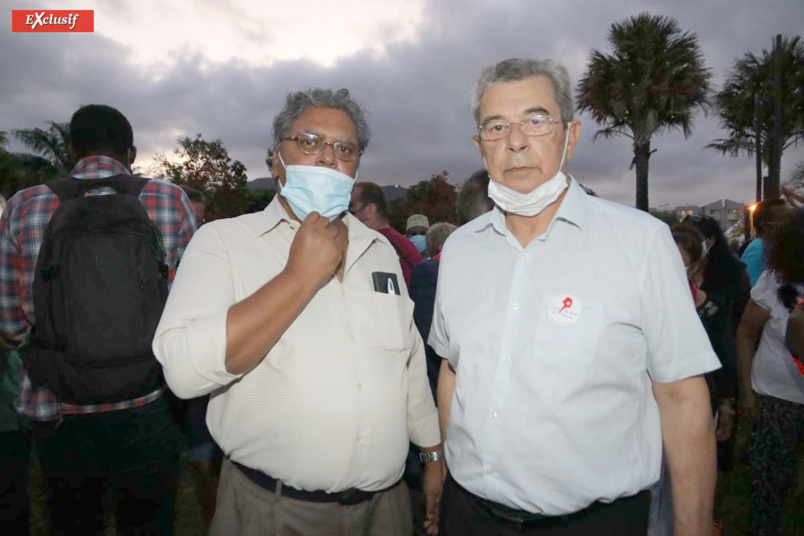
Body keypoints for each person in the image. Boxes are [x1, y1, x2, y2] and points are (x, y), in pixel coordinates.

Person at [430, 57, 720, 535]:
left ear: (572, 135)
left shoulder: (640, 243)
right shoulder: (461, 249)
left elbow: (683, 398)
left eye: (536, 120)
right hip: (470, 516)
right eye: (497, 125)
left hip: (591, 523)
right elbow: (452, 369)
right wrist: (439, 468)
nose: (516, 141)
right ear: (480, 145)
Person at [153, 88, 443, 536]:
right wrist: (298, 277)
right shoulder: (223, 242)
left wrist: (431, 455)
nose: (328, 158)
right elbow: (183, 371)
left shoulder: (380, 250)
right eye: (309, 142)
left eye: (344, 149)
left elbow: (406, 366)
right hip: (273, 511)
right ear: (275, 161)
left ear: (356, 166)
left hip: (386, 510)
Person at [0, 104, 196, 534]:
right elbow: (192, 304)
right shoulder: (169, 199)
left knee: (74, 523)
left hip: (58, 405)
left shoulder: (23, 206)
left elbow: (11, 321)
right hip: (150, 399)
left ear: (72, 150)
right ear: (131, 151)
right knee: (147, 524)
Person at [736, 208, 804, 536]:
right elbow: (746, 334)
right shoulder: (774, 280)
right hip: (775, 398)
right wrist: (747, 392)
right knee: (768, 484)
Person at [351, 181, 422, 285]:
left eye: (350, 209)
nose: (345, 216)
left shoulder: (374, 247)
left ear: (369, 210)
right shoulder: (402, 244)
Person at [741, 198, 788, 286]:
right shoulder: (759, 250)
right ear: (764, 224)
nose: (790, 222)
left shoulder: (774, 247)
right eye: (783, 218)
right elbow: (754, 292)